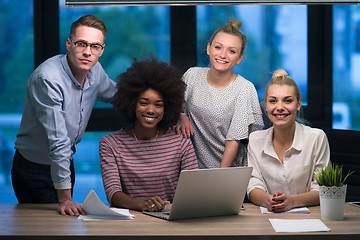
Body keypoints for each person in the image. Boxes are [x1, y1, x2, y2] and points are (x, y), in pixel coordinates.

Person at [11, 15, 116, 216]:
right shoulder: (48, 78)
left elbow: (118, 95)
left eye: (95, 46)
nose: (87, 52)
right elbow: (58, 141)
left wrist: (160, 105)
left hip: (65, 162)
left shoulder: (96, 71)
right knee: (44, 228)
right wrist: (66, 199)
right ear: (69, 44)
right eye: (81, 44)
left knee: (64, 224)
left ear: (101, 50)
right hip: (33, 170)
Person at [99, 58, 199, 212]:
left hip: (171, 220)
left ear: (167, 107)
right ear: (132, 103)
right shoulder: (110, 144)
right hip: (130, 222)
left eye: (158, 105)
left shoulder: (181, 142)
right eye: (144, 103)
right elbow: (113, 194)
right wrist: (143, 205)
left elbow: (193, 190)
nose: (151, 110)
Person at [175, 18, 264, 169]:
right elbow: (174, 106)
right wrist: (182, 116)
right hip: (191, 168)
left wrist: (220, 177)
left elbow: (234, 140)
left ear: (239, 58)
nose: (223, 55)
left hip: (228, 169)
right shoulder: (192, 75)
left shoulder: (244, 88)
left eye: (232, 51)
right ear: (209, 48)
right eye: (218, 47)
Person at [247, 69, 330, 213]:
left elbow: (323, 189)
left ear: (298, 104)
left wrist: (292, 201)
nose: (279, 107)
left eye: (288, 100)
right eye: (273, 101)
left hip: (309, 219)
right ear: (265, 106)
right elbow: (253, 185)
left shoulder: (316, 137)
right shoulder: (255, 139)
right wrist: (267, 200)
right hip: (267, 219)